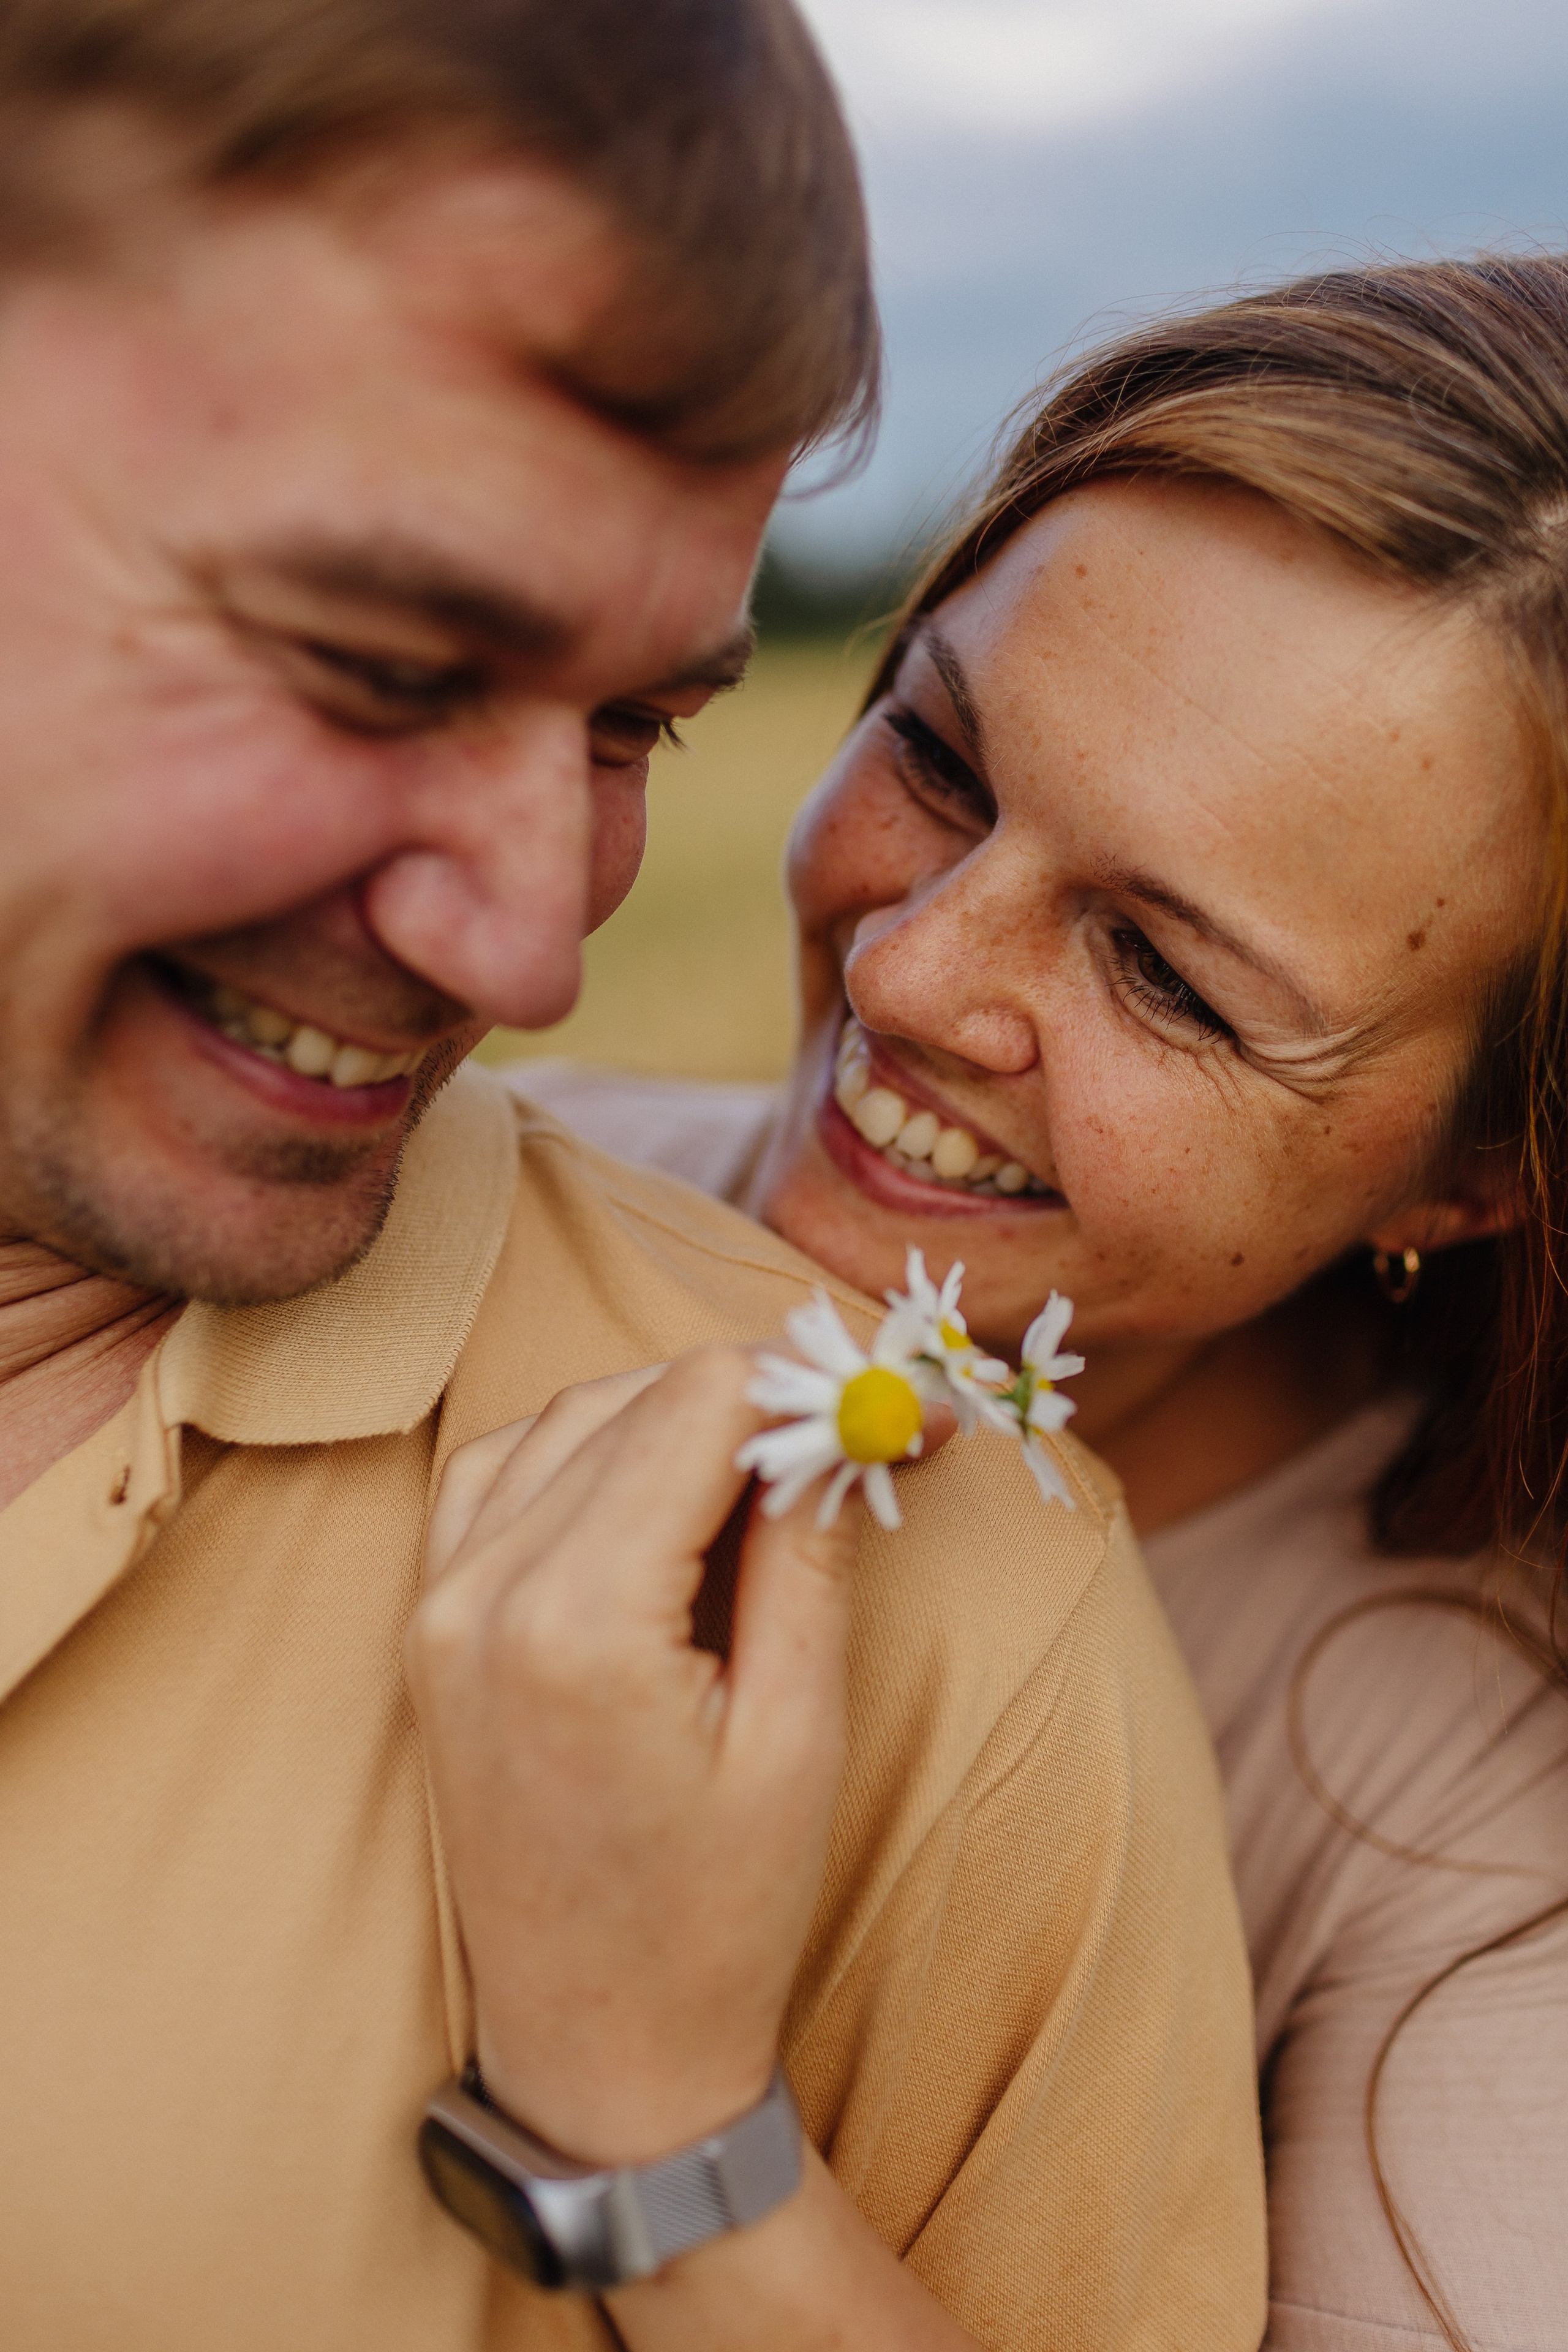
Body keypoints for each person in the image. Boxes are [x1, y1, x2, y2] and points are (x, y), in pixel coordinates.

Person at [0, 6, 1268, 2349]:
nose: (529, 947)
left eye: (634, 725)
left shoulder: (924, 1629)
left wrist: (658, 2153)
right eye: (375, 662)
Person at [521, 254, 1568, 2352]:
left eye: (1167, 975)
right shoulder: (421, 1204)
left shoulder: (1470, 1844)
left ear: (1475, 1178)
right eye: (939, 755)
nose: (909, 971)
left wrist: (657, 2124)